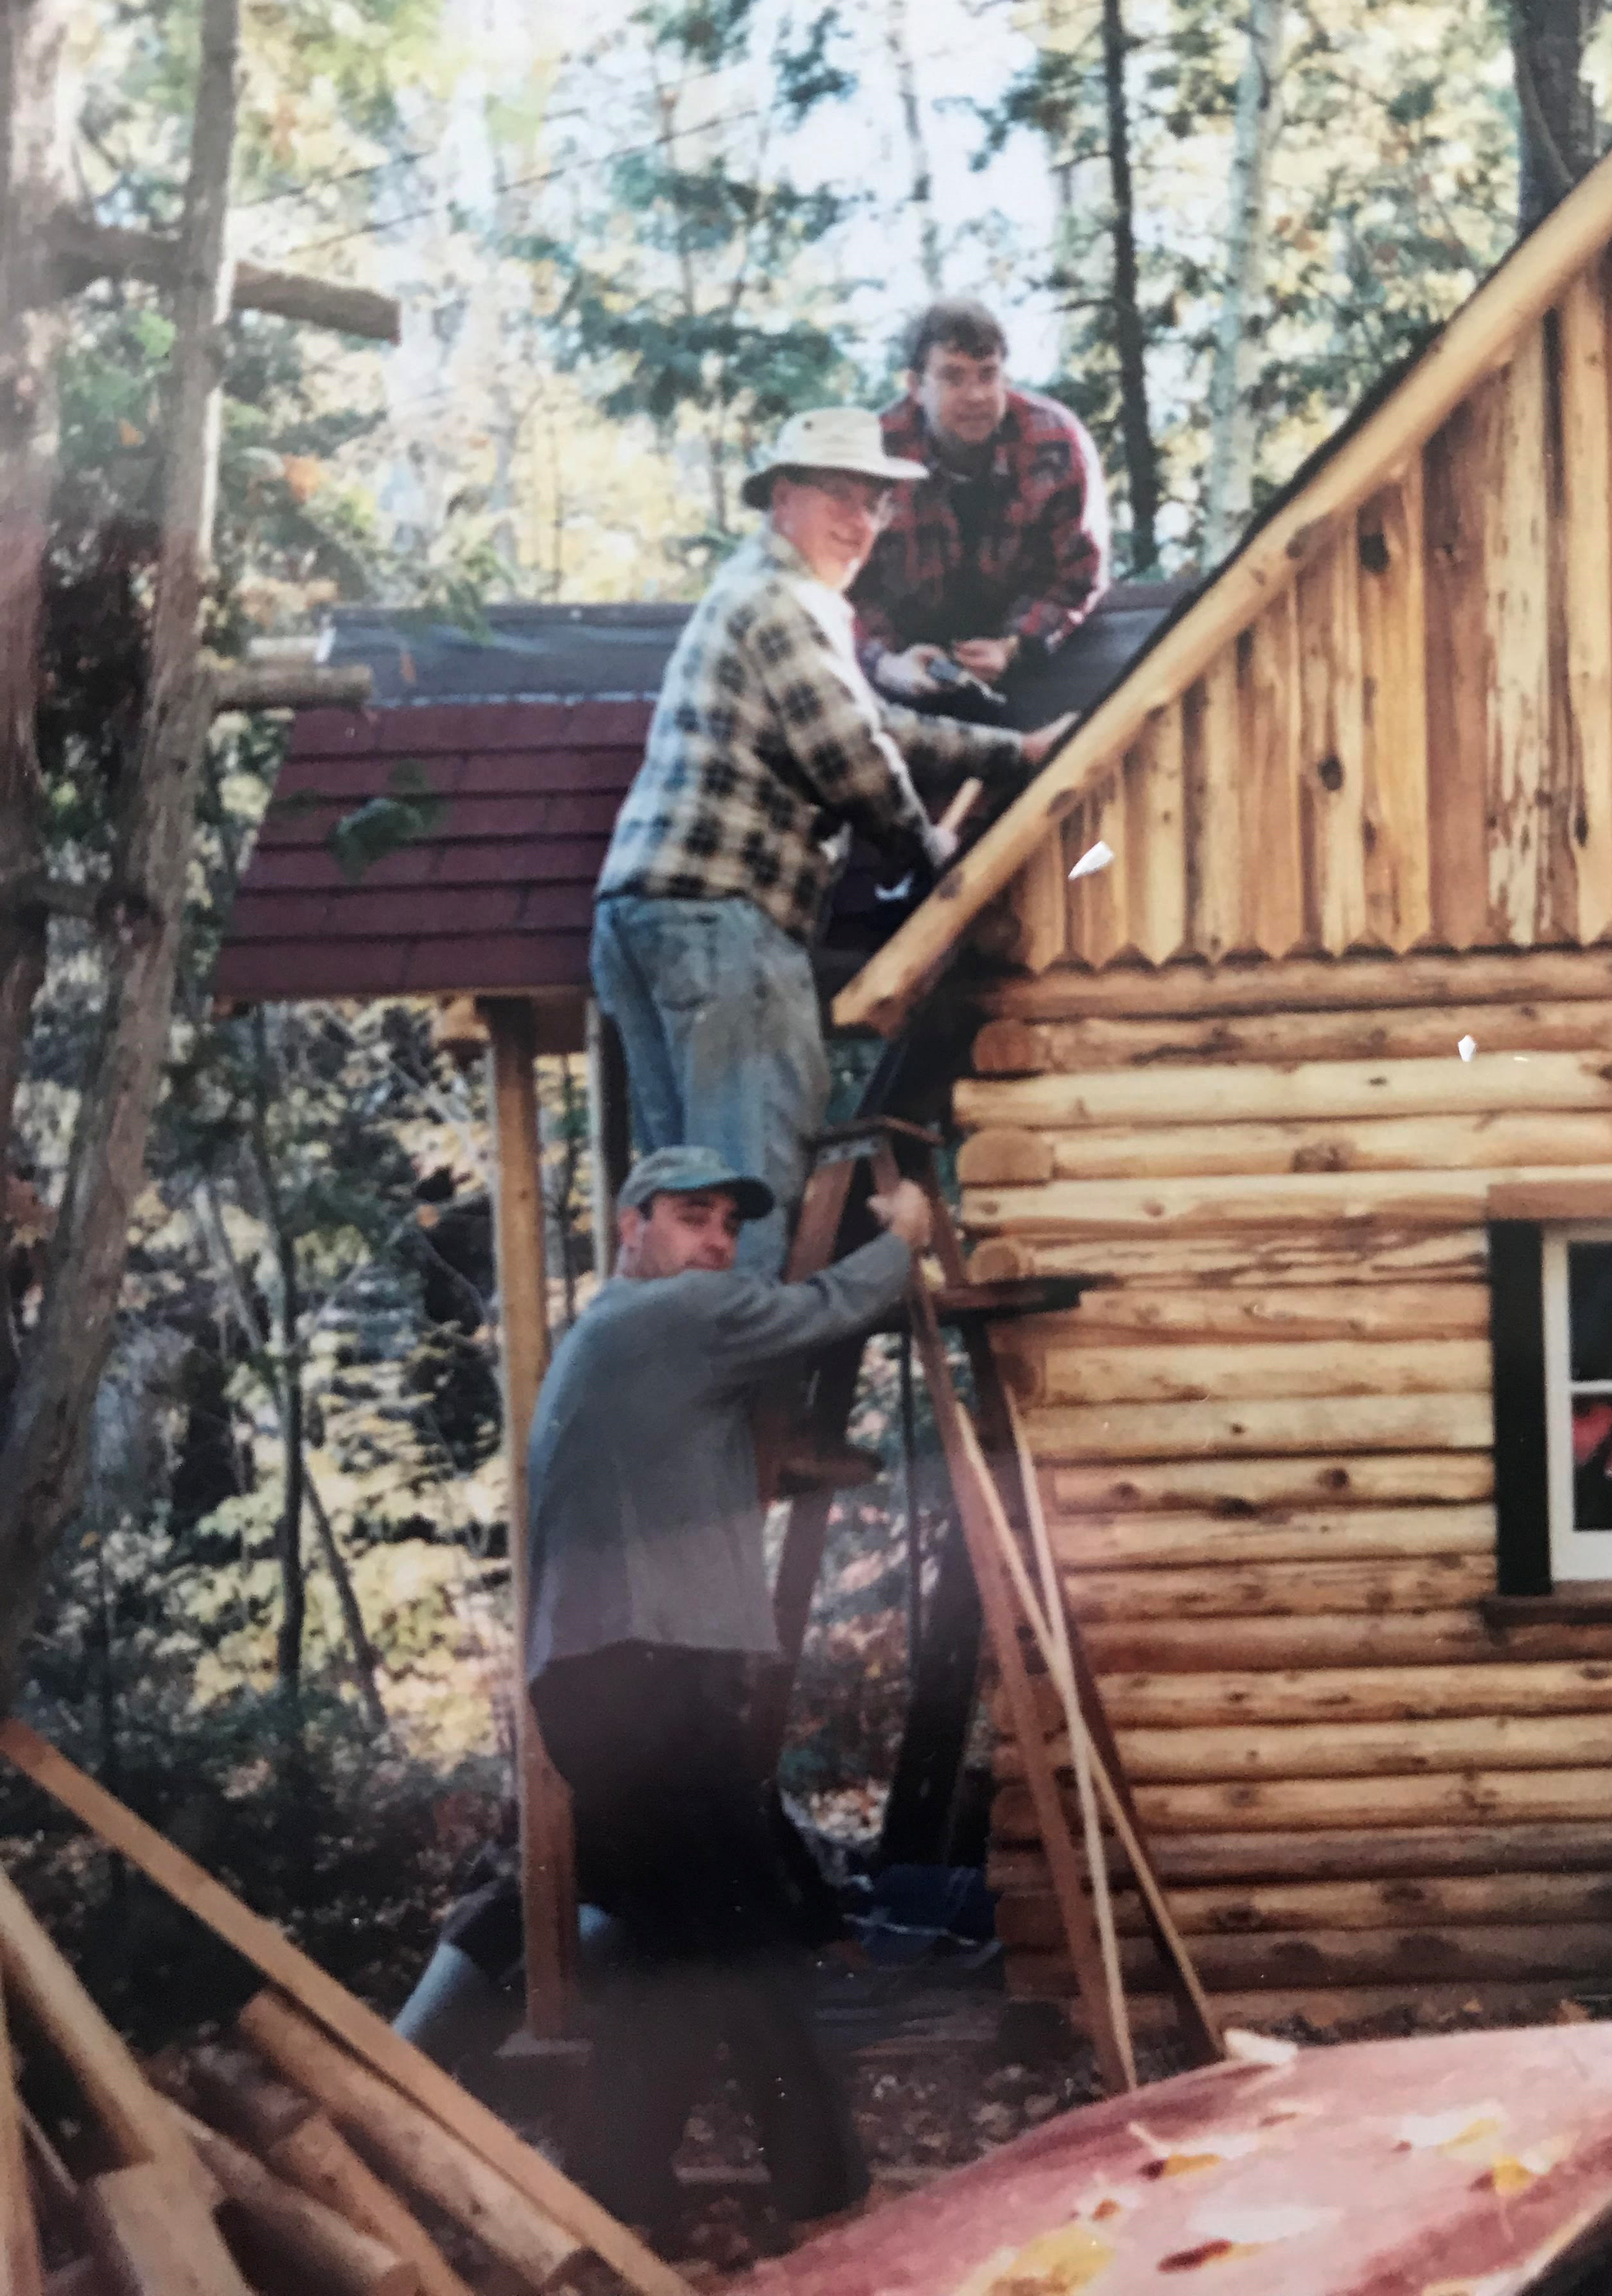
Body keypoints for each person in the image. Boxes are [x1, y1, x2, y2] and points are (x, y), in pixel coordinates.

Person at [523, 1142, 933, 2248]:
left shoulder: (620, 1338)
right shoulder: (663, 1319)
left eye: (726, 1228)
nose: (714, 1246)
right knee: (751, 1942)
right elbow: (828, 1308)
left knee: (675, 1956)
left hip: (614, 1679)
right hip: (637, 1680)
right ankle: (832, 2203)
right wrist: (904, 1234)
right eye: (691, 1218)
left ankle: (602, 2206)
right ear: (630, 1228)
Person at [593, 407, 1071, 1274]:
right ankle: (753, 1407)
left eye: (876, 505)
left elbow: (871, 720)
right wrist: (935, 860)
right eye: (840, 498)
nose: (861, 523)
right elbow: (853, 756)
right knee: (746, 1203)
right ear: (784, 498)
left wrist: (1014, 753)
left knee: (681, 1212)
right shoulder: (787, 601)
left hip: (645, 919)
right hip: (723, 929)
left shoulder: (757, 595)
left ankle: (698, 1404)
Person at [849, 297, 1110, 706]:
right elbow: (843, 589)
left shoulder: (1055, 444)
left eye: (988, 376)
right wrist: (887, 662)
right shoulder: (874, 456)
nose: (975, 396)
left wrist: (1016, 645)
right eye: (953, 378)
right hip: (899, 663)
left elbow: (1077, 574)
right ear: (916, 387)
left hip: (1023, 655)